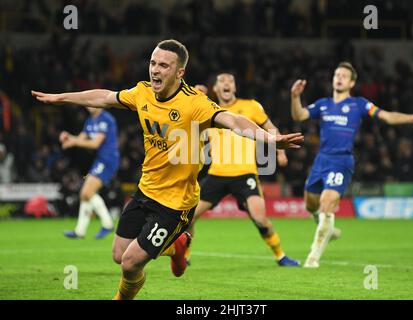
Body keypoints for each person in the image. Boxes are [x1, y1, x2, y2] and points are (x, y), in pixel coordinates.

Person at [32, 39, 303, 300]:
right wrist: (61, 98)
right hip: (145, 192)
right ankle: (176, 247)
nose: (155, 70)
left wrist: (270, 139)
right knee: (118, 254)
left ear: (179, 72)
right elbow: (105, 97)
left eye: (164, 65)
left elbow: (233, 120)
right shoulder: (142, 92)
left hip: (175, 203)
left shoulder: (194, 103)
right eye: (153, 63)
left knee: (129, 264)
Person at [290, 61, 413, 268]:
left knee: (327, 202)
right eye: (337, 74)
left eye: (344, 76)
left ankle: (313, 257)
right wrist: (295, 96)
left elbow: (388, 117)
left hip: (342, 161)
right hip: (322, 160)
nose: (339, 78)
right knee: (311, 204)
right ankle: (327, 228)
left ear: (352, 82)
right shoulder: (323, 104)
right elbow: (299, 115)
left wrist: (412, 118)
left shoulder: (359, 104)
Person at [186, 73, 300, 267]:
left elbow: (270, 127)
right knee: (189, 216)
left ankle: (280, 255)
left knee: (260, 218)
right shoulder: (209, 110)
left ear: (235, 87)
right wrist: (193, 97)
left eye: (230, 81)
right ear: (215, 88)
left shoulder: (251, 107)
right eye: (222, 81)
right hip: (217, 174)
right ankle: (184, 256)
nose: (226, 84)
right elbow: (188, 125)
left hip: (245, 173)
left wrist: (280, 152)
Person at [59, 107, 119, 240]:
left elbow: (95, 143)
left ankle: (107, 224)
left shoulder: (106, 119)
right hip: (100, 160)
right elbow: (80, 138)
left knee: (87, 193)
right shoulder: (90, 121)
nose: (90, 105)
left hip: (109, 159)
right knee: (84, 194)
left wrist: (74, 141)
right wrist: (69, 138)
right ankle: (80, 231)